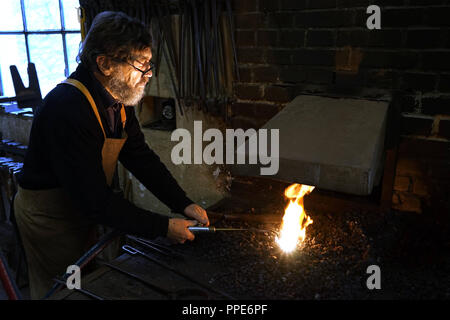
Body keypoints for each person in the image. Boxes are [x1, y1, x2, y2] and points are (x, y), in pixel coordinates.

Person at [13, 11, 209, 300]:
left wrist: (183, 204)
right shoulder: (67, 109)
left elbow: (139, 156)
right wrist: (163, 227)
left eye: (149, 63)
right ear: (104, 64)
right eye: (140, 64)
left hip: (82, 207)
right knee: (63, 291)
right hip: (49, 218)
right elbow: (93, 200)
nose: (149, 74)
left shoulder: (119, 99)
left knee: (86, 282)